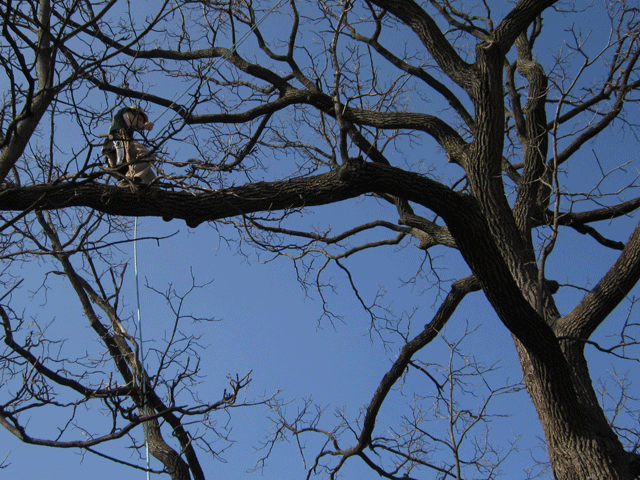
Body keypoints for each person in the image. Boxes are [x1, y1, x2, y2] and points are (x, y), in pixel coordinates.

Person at [101, 106, 156, 184]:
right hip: (120, 140)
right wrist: (143, 126)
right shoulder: (127, 111)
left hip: (118, 149)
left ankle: (151, 188)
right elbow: (131, 122)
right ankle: (129, 179)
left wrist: (143, 126)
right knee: (148, 155)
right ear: (134, 112)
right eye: (140, 119)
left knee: (148, 173)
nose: (141, 122)